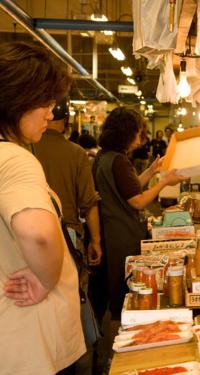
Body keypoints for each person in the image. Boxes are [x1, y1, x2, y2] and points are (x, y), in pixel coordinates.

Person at [0, 41, 85, 374]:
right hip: (31, 342)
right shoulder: (15, 159)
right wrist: (45, 279)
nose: (51, 114)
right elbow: (38, 234)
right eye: (45, 103)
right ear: (18, 99)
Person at [93, 107, 186, 325]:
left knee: (112, 289)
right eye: (138, 132)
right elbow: (138, 200)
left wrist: (153, 170)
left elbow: (131, 188)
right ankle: (121, 337)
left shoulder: (104, 157)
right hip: (122, 234)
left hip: (110, 231)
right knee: (125, 292)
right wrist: (163, 182)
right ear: (126, 132)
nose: (141, 138)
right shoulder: (119, 161)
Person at [32, 98, 103, 375]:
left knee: (41, 305)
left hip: (30, 242)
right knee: (75, 301)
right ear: (67, 121)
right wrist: (95, 241)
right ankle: (80, 362)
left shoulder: (26, 150)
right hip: (68, 237)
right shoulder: (75, 153)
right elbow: (89, 202)